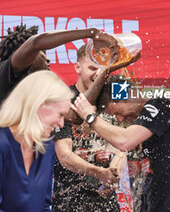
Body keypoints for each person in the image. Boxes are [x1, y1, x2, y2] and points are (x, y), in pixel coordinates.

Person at [72, 75, 170, 212]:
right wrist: (112, 176)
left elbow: (124, 141)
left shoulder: (161, 105)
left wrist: (90, 116)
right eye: (115, 116)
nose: (119, 119)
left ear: (131, 93)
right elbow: (123, 150)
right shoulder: (139, 125)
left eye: (118, 112)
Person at [0, 70, 73, 212]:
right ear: (39, 105)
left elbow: (43, 206)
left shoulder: (47, 148)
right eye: (60, 114)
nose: (61, 124)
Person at [0, 24, 117, 117]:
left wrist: (107, 70)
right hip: (7, 150)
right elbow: (35, 43)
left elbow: (75, 116)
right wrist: (93, 33)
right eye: (43, 52)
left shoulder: (38, 86)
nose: (48, 59)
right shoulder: (5, 71)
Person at [52, 45, 121, 212]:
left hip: (107, 201)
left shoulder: (114, 98)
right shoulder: (63, 99)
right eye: (92, 67)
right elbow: (65, 156)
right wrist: (100, 173)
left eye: (103, 69)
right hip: (70, 202)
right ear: (77, 67)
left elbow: (123, 145)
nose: (98, 74)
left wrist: (113, 174)